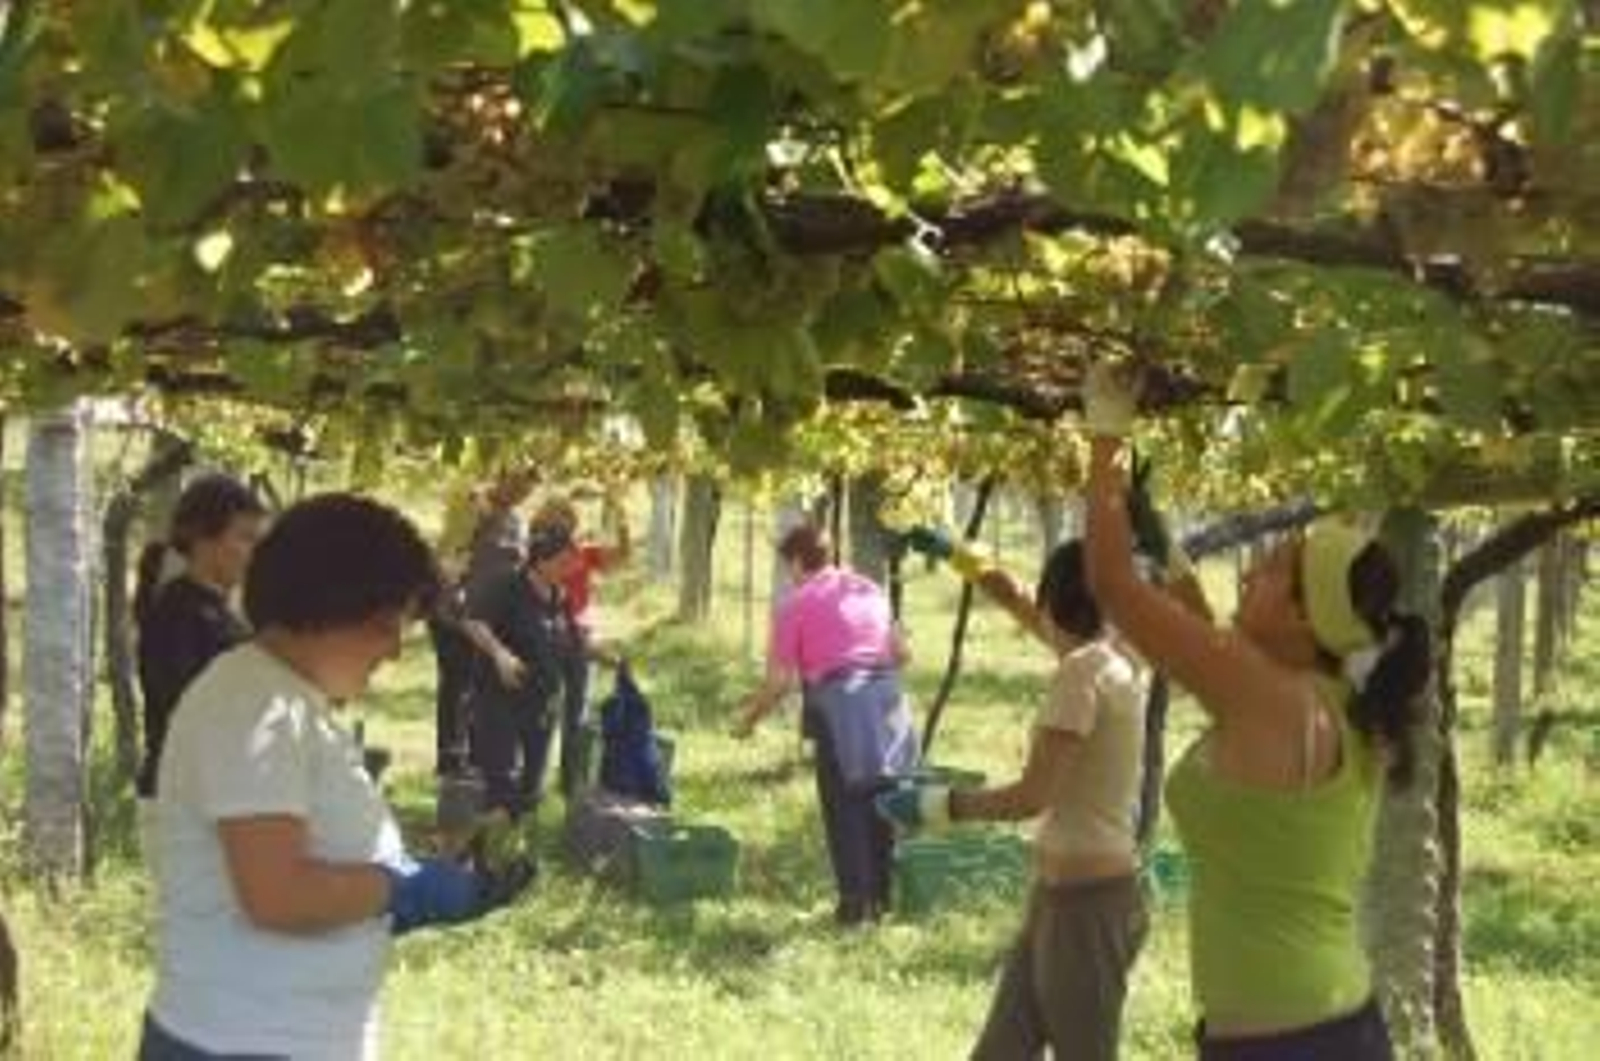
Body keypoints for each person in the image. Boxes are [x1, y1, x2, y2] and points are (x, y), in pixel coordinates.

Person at [1078, 364, 1430, 1059]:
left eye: (1267, 570)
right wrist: (1161, 539)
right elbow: (1201, 628)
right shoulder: (1330, 697)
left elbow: (1112, 586)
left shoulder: (1269, 694)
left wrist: (1107, 435)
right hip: (1336, 1023)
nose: (1247, 573)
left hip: (1286, 1045)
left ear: (1304, 618)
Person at [142, 494, 501, 1059]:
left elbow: (306, 852)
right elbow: (277, 893)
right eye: (389, 624)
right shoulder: (253, 705)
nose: (393, 649)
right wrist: (401, 890)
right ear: (332, 605)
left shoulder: (287, 698)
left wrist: (407, 878)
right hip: (242, 1040)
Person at [883, 527, 1205, 1061]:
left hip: (1086, 908)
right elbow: (1017, 599)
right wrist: (961, 557)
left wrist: (938, 805)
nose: (1035, 613)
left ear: (1057, 601)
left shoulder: (1080, 674)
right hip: (1062, 899)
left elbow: (1034, 795)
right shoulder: (1115, 655)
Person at [733, 523, 917, 926]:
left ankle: (854, 909)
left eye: (788, 567)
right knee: (882, 801)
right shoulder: (868, 589)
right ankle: (881, 903)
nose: (789, 575)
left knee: (844, 807)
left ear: (797, 561)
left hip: (840, 706)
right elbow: (902, 653)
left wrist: (748, 720)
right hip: (887, 704)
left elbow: (779, 683)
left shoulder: (796, 605)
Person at [134, 475, 267, 814]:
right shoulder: (178, 612)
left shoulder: (218, 610)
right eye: (244, 538)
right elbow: (186, 703)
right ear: (203, 537)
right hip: (185, 795)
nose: (253, 553)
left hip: (214, 790)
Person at [467, 521, 583, 819]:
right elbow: (474, 623)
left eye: (573, 561)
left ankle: (516, 852)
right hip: (499, 699)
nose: (571, 567)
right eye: (564, 561)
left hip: (541, 704)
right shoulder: (507, 585)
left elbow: (567, 639)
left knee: (530, 788)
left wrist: (601, 653)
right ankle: (488, 857)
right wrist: (500, 654)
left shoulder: (560, 596)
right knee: (502, 781)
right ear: (541, 559)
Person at [530, 492, 630, 798]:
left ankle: (569, 785)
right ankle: (532, 782)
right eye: (555, 520)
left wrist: (621, 520)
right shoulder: (533, 555)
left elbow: (620, 557)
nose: (563, 527)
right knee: (543, 710)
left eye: (567, 520)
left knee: (577, 715)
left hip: (580, 642)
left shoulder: (582, 553)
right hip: (546, 639)